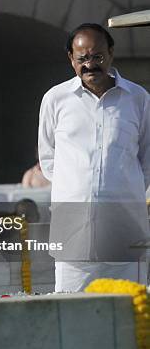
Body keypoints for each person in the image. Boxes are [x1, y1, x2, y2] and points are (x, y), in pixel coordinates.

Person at [38, 23, 150, 292]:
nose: (90, 65)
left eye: (97, 57)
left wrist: (119, 188)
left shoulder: (138, 99)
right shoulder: (56, 99)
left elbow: (147, 160)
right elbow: (48, 159)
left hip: (125, 231)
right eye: (82, 59)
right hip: (73, 232)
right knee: (71, 314)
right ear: (71, 60)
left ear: (110, 54)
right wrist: (77, 188)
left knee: (131, 317)